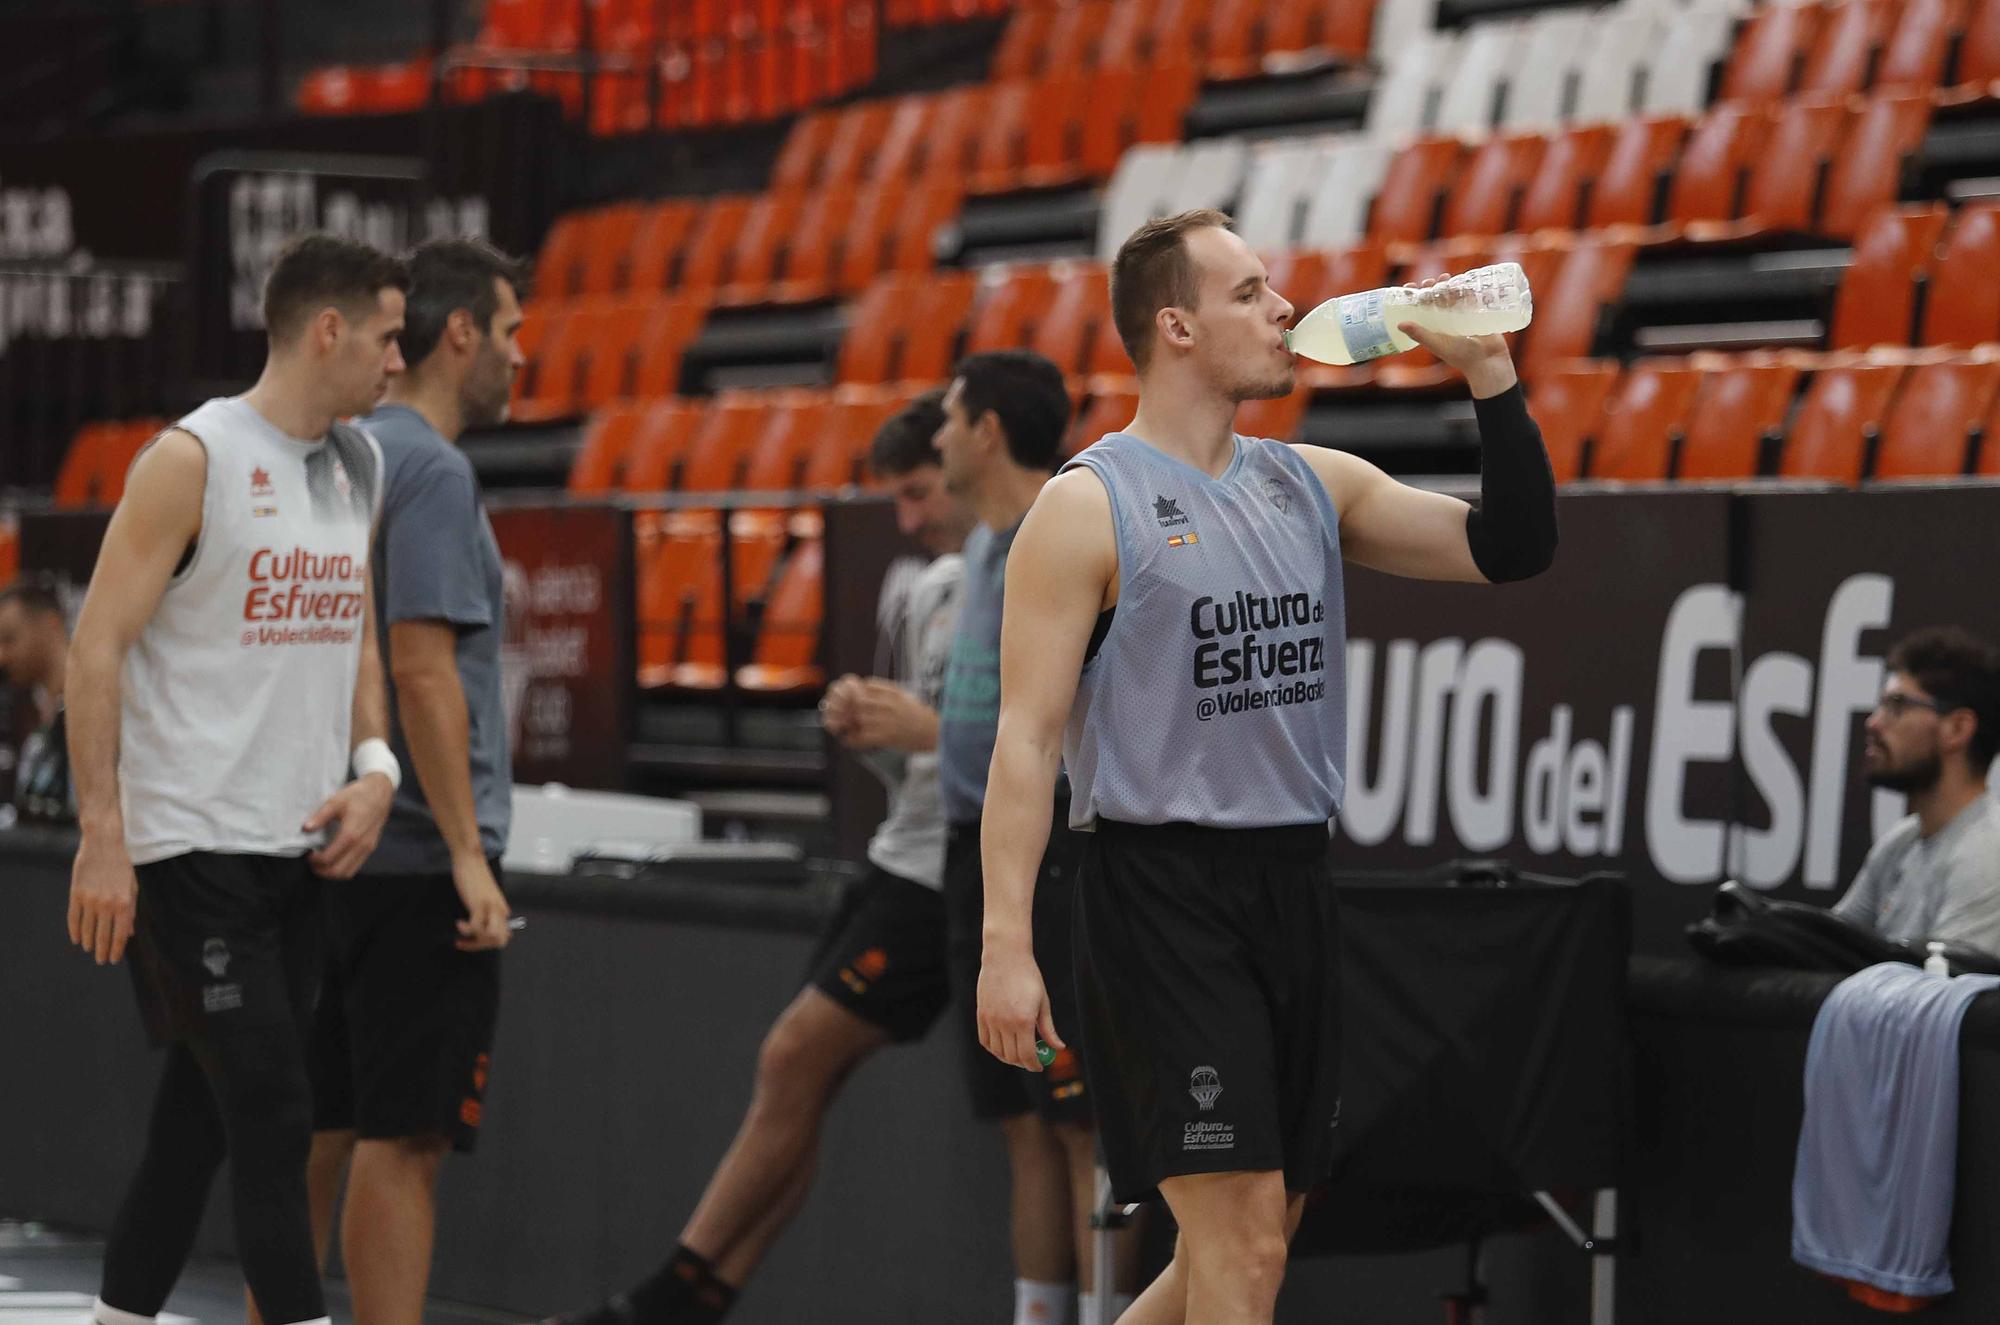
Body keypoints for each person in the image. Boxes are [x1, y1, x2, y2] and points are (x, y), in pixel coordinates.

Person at [976, 209, 1558, 1325]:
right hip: (1158, 897)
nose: (1285, 308)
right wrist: (1007, 942)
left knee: (1237, 1255)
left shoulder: (1309, 482)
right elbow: (1026, 739)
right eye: (1249, 293)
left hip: (1290, 883)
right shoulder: (1086, 504)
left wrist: (1489, 377)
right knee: (1239, 1254)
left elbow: (1510, 549)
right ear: (1176, 323)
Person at [545, 390, 975, 1325]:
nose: (907, 518)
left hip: (960, 866)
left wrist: (928, 729)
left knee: (799, 1056)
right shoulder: (930, 584)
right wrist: (876, 729)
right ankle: (696, 1294)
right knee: (799, 1073)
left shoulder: (1017, 569)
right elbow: (930, 751)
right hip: (908, 850)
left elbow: (1036, 738)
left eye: (917, 491)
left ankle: (671, 1297)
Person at [65, 232, 408, 1325]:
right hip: (187, 849)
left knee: (195, 1130)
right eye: (389, 337)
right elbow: (94, 645)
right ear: (327, 331)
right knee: (273, 1108)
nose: (397, 363)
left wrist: (374, 766)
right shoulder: (192, 458)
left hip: (295, 846)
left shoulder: (365, 463)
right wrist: (102, 831)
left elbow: (353, 634)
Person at [268, 237, 524, 1325]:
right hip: (416, 851)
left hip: (327, 838)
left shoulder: (339, 452)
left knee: (321, 1126)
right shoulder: (427, 465)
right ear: (458, 332)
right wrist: (469, 853)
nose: (519, 357)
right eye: (509, 331)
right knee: (401, 1135)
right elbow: (422, 666)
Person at [934, 349, 1143, 1325]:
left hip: (1057, 854)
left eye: (946, 417)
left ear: (984, 429)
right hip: (974, 849)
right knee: (1021, 1120)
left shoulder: (1062, 533)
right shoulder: (978, 546)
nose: (936, 435)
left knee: (1080, 1124)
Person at [1834, 626, 2000, 952]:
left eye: (1897, 705)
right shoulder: (1902, 841)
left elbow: (1941, 996)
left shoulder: (1988, 852)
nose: (1874, 722)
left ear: (1957, 728)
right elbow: (1825, 949)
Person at [0, 576, 75, 822]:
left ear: (51, 624)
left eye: (9, 638)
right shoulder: (36, 712)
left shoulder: (95, 707)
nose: (3, 656)